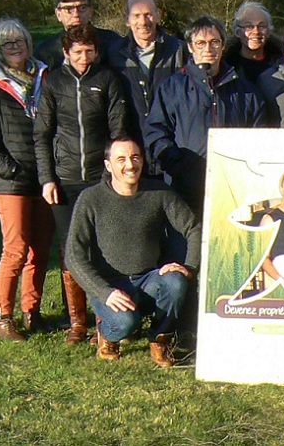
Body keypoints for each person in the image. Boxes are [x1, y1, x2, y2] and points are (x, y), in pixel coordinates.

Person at [66, 138, 201, 367]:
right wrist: (104, 291)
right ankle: (107, 335)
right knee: (124, 324)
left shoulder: (159, 192)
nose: (130, 164)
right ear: (108, 165)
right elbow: (73, 254)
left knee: (176, 283)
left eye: (135, 157)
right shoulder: (91, 198)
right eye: (121, 159)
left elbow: (193, 228)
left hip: (149, 278)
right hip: (110, 285)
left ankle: (160, 339)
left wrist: (189, 268)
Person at [34, 24, 130, 344]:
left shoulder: (108, 80)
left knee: (102, 248)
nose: (84, 57)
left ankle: (105, 318)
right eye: (77, 52)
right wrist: (47, 178)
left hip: (99, 179)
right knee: (70, 251)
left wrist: (114, 174)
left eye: (89, 51)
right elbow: (43, 134)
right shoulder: (54, 83)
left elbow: (118, 132)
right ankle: (77, 322)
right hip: (64, 179)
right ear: (66, 53)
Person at [0, 17, 56, 341]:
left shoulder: (44, 77)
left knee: (40, 250)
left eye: (19, 41)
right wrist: (10, 170)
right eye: (7, 43)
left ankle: (31, 312)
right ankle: (3, 318)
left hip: (46, 177)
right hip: (11, 183)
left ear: (28, 43)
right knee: (16, 249)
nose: (14, 47)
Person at [145, 16, 268, 213]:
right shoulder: (172, 88)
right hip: (185, 188)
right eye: (201, 43)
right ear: (191, 47)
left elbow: (260, 135)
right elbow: (156, 133)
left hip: (234, 188)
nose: (208, 49)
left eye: (214, 42)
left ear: (223, 46)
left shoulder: (246, 91)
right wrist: (178, 166)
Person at [108, 0, 189, 156]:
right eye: (136, 15)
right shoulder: (114, 54)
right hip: (132, 148)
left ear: (158, 15)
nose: (143, 22)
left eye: (148, 14)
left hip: (173, 146)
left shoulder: (179, 51)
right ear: (127, 20)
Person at [35, 0, 121, 70]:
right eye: (68, 9)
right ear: (58, 14)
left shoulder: (112, 42)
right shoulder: (45, 52)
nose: (76, 14)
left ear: (91, 11)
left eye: (82, 8)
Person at [224, 0, 284, 84]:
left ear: (269, 31)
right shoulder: (226, 67)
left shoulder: (283, 64)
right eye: (249, 26)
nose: (256, 31)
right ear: (237, 32)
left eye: (261, 26)